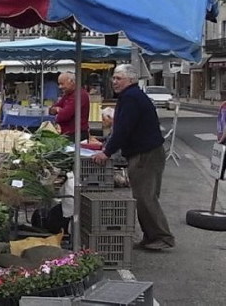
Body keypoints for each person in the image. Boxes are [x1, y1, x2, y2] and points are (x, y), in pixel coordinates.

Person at [92, 64, 175, 251]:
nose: (114, 82)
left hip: (145, 154)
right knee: (143, 197)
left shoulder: (131, 98)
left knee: (146, 197)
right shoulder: (130, 96)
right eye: (113, 78)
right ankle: (151, 236)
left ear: (131, 80)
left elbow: (124, 129)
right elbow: (123, 128)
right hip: (146, 152)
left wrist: (106, 152)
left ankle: (163, 237)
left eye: (118, 78)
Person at [48, 72, 90, 137]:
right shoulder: (67, 94)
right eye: (59, 84)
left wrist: (58, 110)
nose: (60, 87)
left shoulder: (79, 95)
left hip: (76, 134)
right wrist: (57, 109)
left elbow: (64, 115)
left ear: (72, 82)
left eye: (62, 84)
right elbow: (52, 109)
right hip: (67, 133)